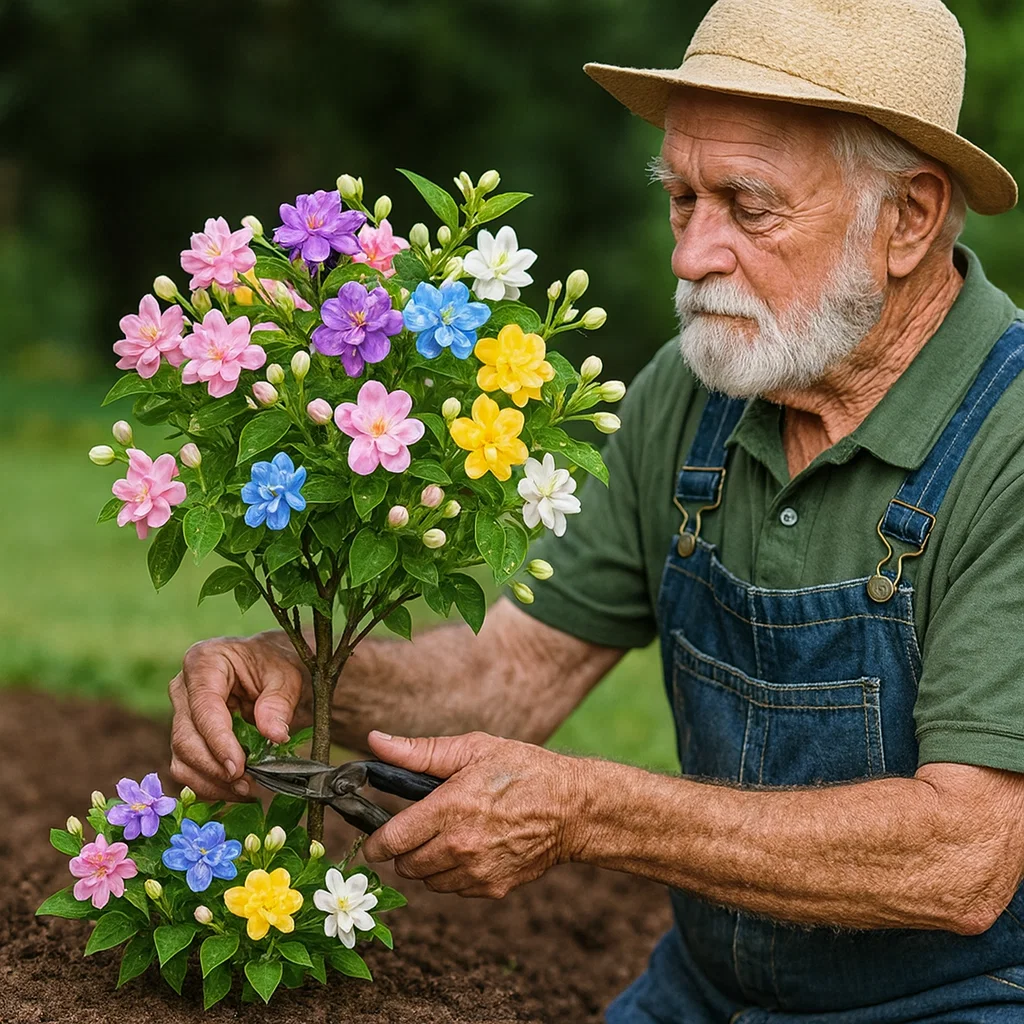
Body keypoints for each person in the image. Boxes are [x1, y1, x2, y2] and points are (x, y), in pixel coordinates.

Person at [169, 0, 1024, 1019]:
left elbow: (962, 855)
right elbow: (511, 672)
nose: (691, 254)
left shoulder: (1005, 442)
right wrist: (308, 675)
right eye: (681, 199)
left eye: (747, 208)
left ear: (909, 218)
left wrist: (586, 808)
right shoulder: (699, 392)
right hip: (705, 993)